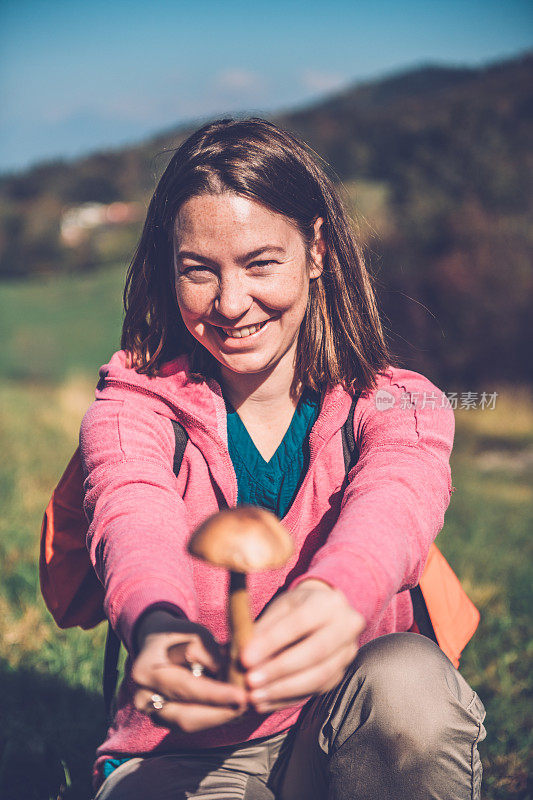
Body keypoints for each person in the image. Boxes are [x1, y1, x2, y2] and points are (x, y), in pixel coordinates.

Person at [79, 117, 486, 800]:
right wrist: (157, 626)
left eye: (260, 262)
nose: (231, 303)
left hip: (351, 730)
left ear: (317, 250)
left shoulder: (397, 403)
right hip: (184, 755)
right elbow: (131, 518)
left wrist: (335, 597)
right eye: (198, 271)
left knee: (409, 684)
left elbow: (397, 502)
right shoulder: (132, 408)